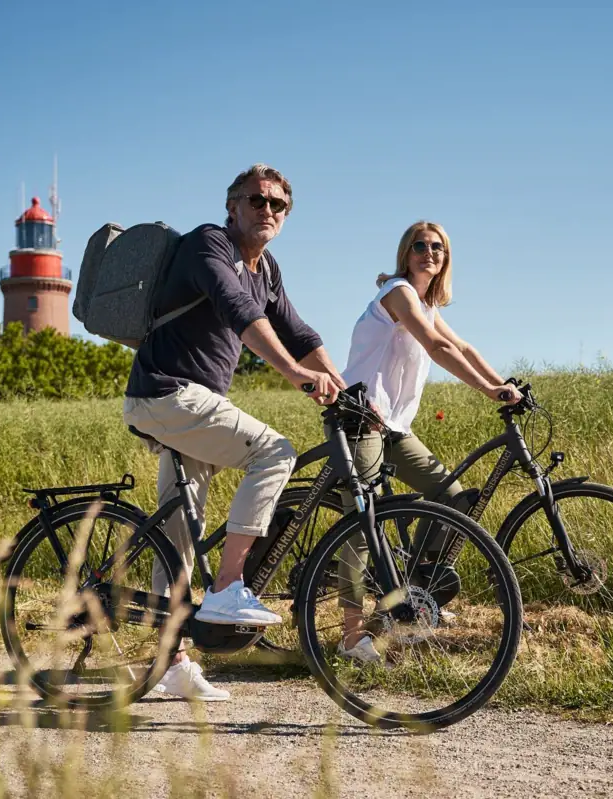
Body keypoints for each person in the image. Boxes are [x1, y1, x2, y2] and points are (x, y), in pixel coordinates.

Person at [123, 164, 346, 701]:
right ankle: (226, 589)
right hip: (166, 394)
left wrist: (345, 386)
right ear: (233, 207)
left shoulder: (265, 267)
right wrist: (295, 374)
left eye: (278, 205)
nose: (267, 211)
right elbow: (238, 310)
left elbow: (297, 330)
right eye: (257, 201)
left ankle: (168, 665)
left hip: (192, 405)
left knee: (178, 533)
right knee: (275, 451)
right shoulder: (210, 245)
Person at [335, 220, 522, 664]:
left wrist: (506, 384)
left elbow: (463, 347)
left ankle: (412, 596)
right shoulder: (398, 293)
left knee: (451, 498)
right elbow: (437, 347)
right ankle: (349, 636)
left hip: (394, 427)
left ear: (446, 258)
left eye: (437, 247)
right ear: (406, 253)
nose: (429, 252)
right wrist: (489, 392)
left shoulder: (426, 305)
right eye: (420, 245)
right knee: (363, 524)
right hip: (361, 418)